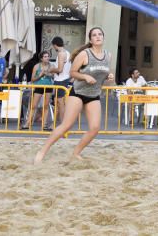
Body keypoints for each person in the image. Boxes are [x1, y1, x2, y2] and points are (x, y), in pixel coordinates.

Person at [34, 27, 114, 163]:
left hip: (94, 95)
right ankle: (42, 151)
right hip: (78, 93)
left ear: (103, 37)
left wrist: (109, 77)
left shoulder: (108, 55)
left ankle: (76, 153)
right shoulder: (85, 54)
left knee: (95, 128)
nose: (98, 36)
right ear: (91, 40)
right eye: (94, 35)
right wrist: (85, 77)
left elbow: (105, 76)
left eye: (100, 34)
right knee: (66, 125)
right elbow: (72, 73)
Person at [24, 51, 54, 131]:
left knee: (46, 106)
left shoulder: (51, 66)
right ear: (41, 58)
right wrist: (40, 75)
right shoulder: (37, 66)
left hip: (48, 86)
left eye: (48, 56)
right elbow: (32, 79)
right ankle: (27, 123)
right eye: (45, 56)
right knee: (34, 105)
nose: (47, 58)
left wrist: (48, 74)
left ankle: (44, 124)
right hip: (39, 86)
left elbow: (54, 76)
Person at [48, 36, 71, 121]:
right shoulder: (67, 53)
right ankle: (55, 123)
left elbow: (60, 69)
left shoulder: (61, 54)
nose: (53, 47)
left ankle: (63, 123)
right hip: (64, 79)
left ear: (55, 45)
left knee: (60, 103)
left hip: (60, 80)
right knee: (58, 102)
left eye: (53, 46)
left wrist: (51, 69)